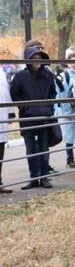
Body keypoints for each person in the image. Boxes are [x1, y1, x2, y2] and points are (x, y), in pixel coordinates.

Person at [10, 46, 57, 189]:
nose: (38, 61)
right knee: (30, 150)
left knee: (43, 148)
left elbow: (53, 93)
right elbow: (15, 94)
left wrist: (48, 109)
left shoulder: (48, 75)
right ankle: (34, 178)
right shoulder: (20, 76)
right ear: (28, 60)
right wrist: (25, 108)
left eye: (40, 58)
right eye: (34, 58)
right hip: (28, 118)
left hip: (43, 117)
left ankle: (44, 178)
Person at [56, 52, 75, 167]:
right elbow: (61, 95)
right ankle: (70, 159)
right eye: (73, 61)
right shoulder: (65, 76)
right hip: (69, 111)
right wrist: (66, 111)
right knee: (69, 135)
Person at [0, 61, 12, 193]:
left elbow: (5, 91)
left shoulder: (1, 71)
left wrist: (10, 112)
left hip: (2, 118)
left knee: (0, 152)